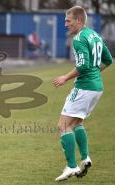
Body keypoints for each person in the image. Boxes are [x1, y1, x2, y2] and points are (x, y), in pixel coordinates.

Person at [53, 6, 113, 181]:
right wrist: (94, 75)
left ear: (79, 20)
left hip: (84, 87)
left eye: (68, 20)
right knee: (77, 123)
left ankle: (71, 166)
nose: (65, 24)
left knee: (63, 126)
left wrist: (65, 77)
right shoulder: (95, 35)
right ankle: (85, 158)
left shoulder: (79, 38)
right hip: (96, 88)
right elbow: (108, 60)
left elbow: (84, 65)